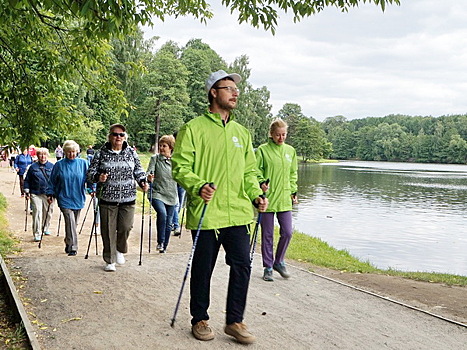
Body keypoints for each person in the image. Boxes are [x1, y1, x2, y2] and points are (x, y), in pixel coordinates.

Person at [172, 70, 268, 344]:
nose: (235, 92)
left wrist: (255, 194)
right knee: (203, 268)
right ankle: (199, 319)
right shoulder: (194, 128)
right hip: (207, 213)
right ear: (214, 92)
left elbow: (249, 172)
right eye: (228, 88)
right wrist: (197, 185)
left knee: (243, 265)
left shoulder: (242, 133)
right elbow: (180, 167)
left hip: (238, 213)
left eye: (236, 88)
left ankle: (235, 321)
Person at [87, 124, 148, 272]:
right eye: (115, 134)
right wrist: (98, 177)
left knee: (126, 227)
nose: (118, 137)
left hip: (128, 197)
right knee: (108, 230)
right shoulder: (101, 153)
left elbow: (138, 170)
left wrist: (143, 181)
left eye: (121, 134)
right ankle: (110, 259)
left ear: (125, 136)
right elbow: (90, 173)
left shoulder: (131, 153)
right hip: (107, 198)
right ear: (110, 136)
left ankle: (120, 249)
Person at [256, 118, 298, 282]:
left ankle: (279, 261)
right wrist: (261, 183)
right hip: (267, 198)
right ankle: (268, 267)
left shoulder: (290, 151)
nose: (281, 138)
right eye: (278, 135)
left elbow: (293, 173)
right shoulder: (263, 150)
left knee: (287, 232)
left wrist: (294, 190)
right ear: (271, 134)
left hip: (285, 198)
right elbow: (255, 171)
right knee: (267, 234)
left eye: (284, 135)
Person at [47, 140, 88, 256]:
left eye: (74, 152)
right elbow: (52, 181)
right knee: (70, 222)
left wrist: (92, 187)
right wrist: (50, 193)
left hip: (78, 197)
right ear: (64, 152)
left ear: (78, 152)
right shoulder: (59, 165)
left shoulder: (83, 163)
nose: (72, 154)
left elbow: (89, 178)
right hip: (64, 197)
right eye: (69, 152)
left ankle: (68, 242)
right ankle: (73, 247)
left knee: (74, 223)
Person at [147, 135, 178, 253]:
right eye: (160, 145)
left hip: (171, 195)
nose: (161, 148)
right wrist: (149, 177)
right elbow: (148, 173)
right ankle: (160, 241)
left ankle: (164, 246)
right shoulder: (155, 159)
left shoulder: (176, 162)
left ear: (170, 147)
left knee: (169, 222)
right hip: (157, 193)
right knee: (162, 214)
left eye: (164, 146)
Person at [24, 148, 55, 241]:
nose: (43, 156)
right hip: (35, 193)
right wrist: (26, 191)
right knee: (37, 212)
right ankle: (37, 233)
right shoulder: (33, 167)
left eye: (44, 154)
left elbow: (55, 180)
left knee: (48, 212)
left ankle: (45, 227)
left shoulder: (52, 166)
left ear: (47, 155)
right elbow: (27, 180)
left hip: (48, 194)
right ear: (37, 156)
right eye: (40, 154)